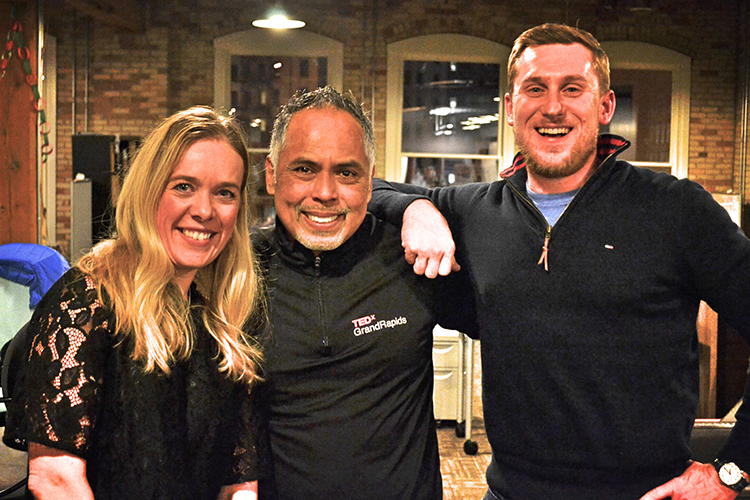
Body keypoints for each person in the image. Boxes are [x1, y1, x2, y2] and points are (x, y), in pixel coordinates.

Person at [368, 23, 750, 500]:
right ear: (511, 108)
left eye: (573, 88)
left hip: (647, 494)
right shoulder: (476, 210)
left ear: (605, 106)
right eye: (535, 88)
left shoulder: (676, 209)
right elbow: (366, 187)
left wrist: (733, 470)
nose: (552, 107)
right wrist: (414, 208)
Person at [4, 106, 265, 500]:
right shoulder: (87, 300)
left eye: (224, 193)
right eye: (184, 186)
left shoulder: (218, 322)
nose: (205, 210)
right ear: (148, 191)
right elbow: (55, 479)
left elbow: (238, 481)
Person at [253, 86, 475, 500]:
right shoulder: (238, 274)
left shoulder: (411, 259)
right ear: (271, 174)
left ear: (371, 183)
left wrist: (412, 206)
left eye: (346, 173)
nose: (324, 192)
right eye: (304, 169)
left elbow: (522, 330)